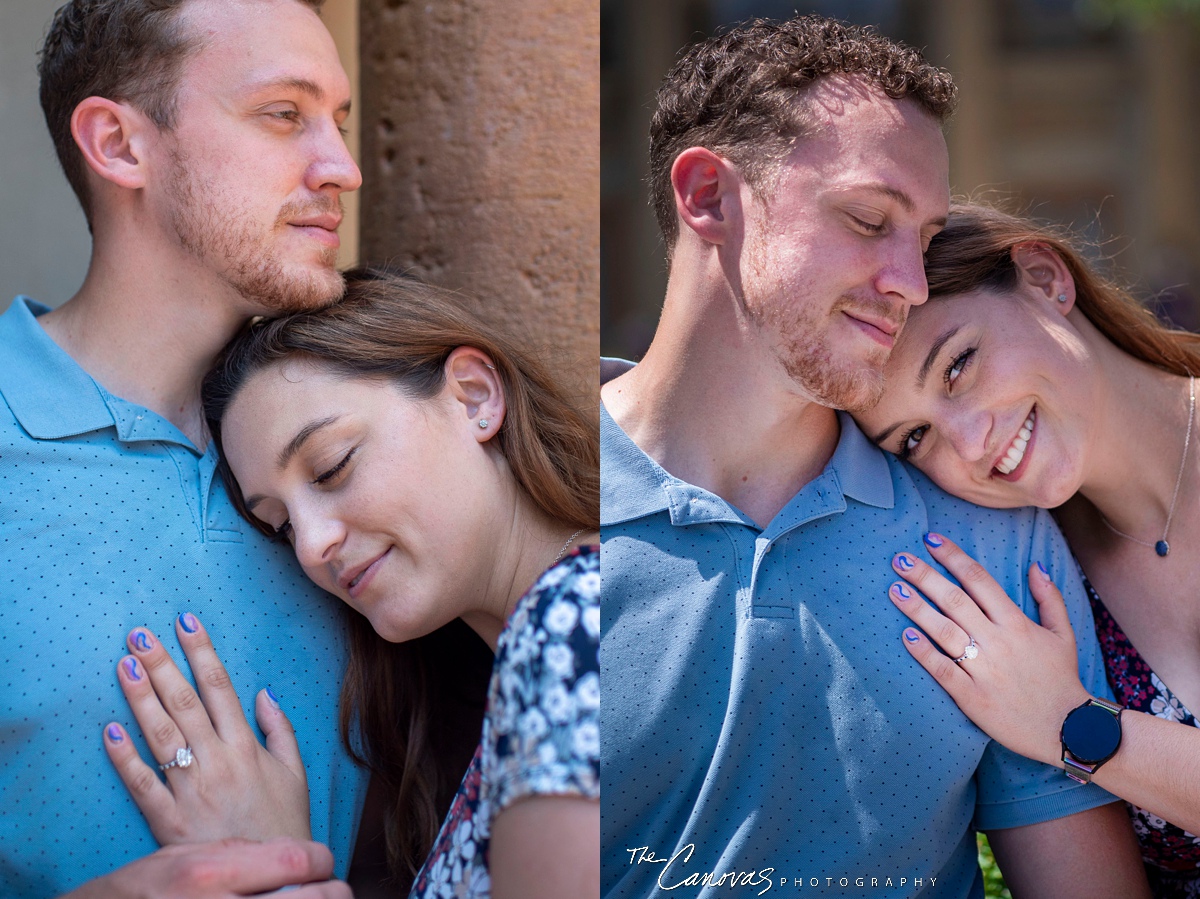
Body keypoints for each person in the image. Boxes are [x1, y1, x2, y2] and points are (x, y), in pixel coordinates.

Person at [600, 15, 1152, 899]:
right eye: (868, 219)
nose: (912, 281)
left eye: (926, 240)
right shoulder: (534, 498)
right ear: (708, 196)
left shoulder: (992, 542)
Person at [0, 0, 367, 896]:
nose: (344, 169)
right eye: (284, 113)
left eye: (340, 121)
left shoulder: (369, 446)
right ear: (120, 145)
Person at [97, 267, 601, 898]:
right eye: (277, 525)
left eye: (332, 468)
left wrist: (281, 870)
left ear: (474, 396)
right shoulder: (566, 632)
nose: (311, 547)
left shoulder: (573, 619)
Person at [852, 200, 1200, 897]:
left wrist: (1069, 723)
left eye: (957, 366)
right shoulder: (1041, 577)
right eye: (915, 438)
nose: (970, 444)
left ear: (1045, 278)